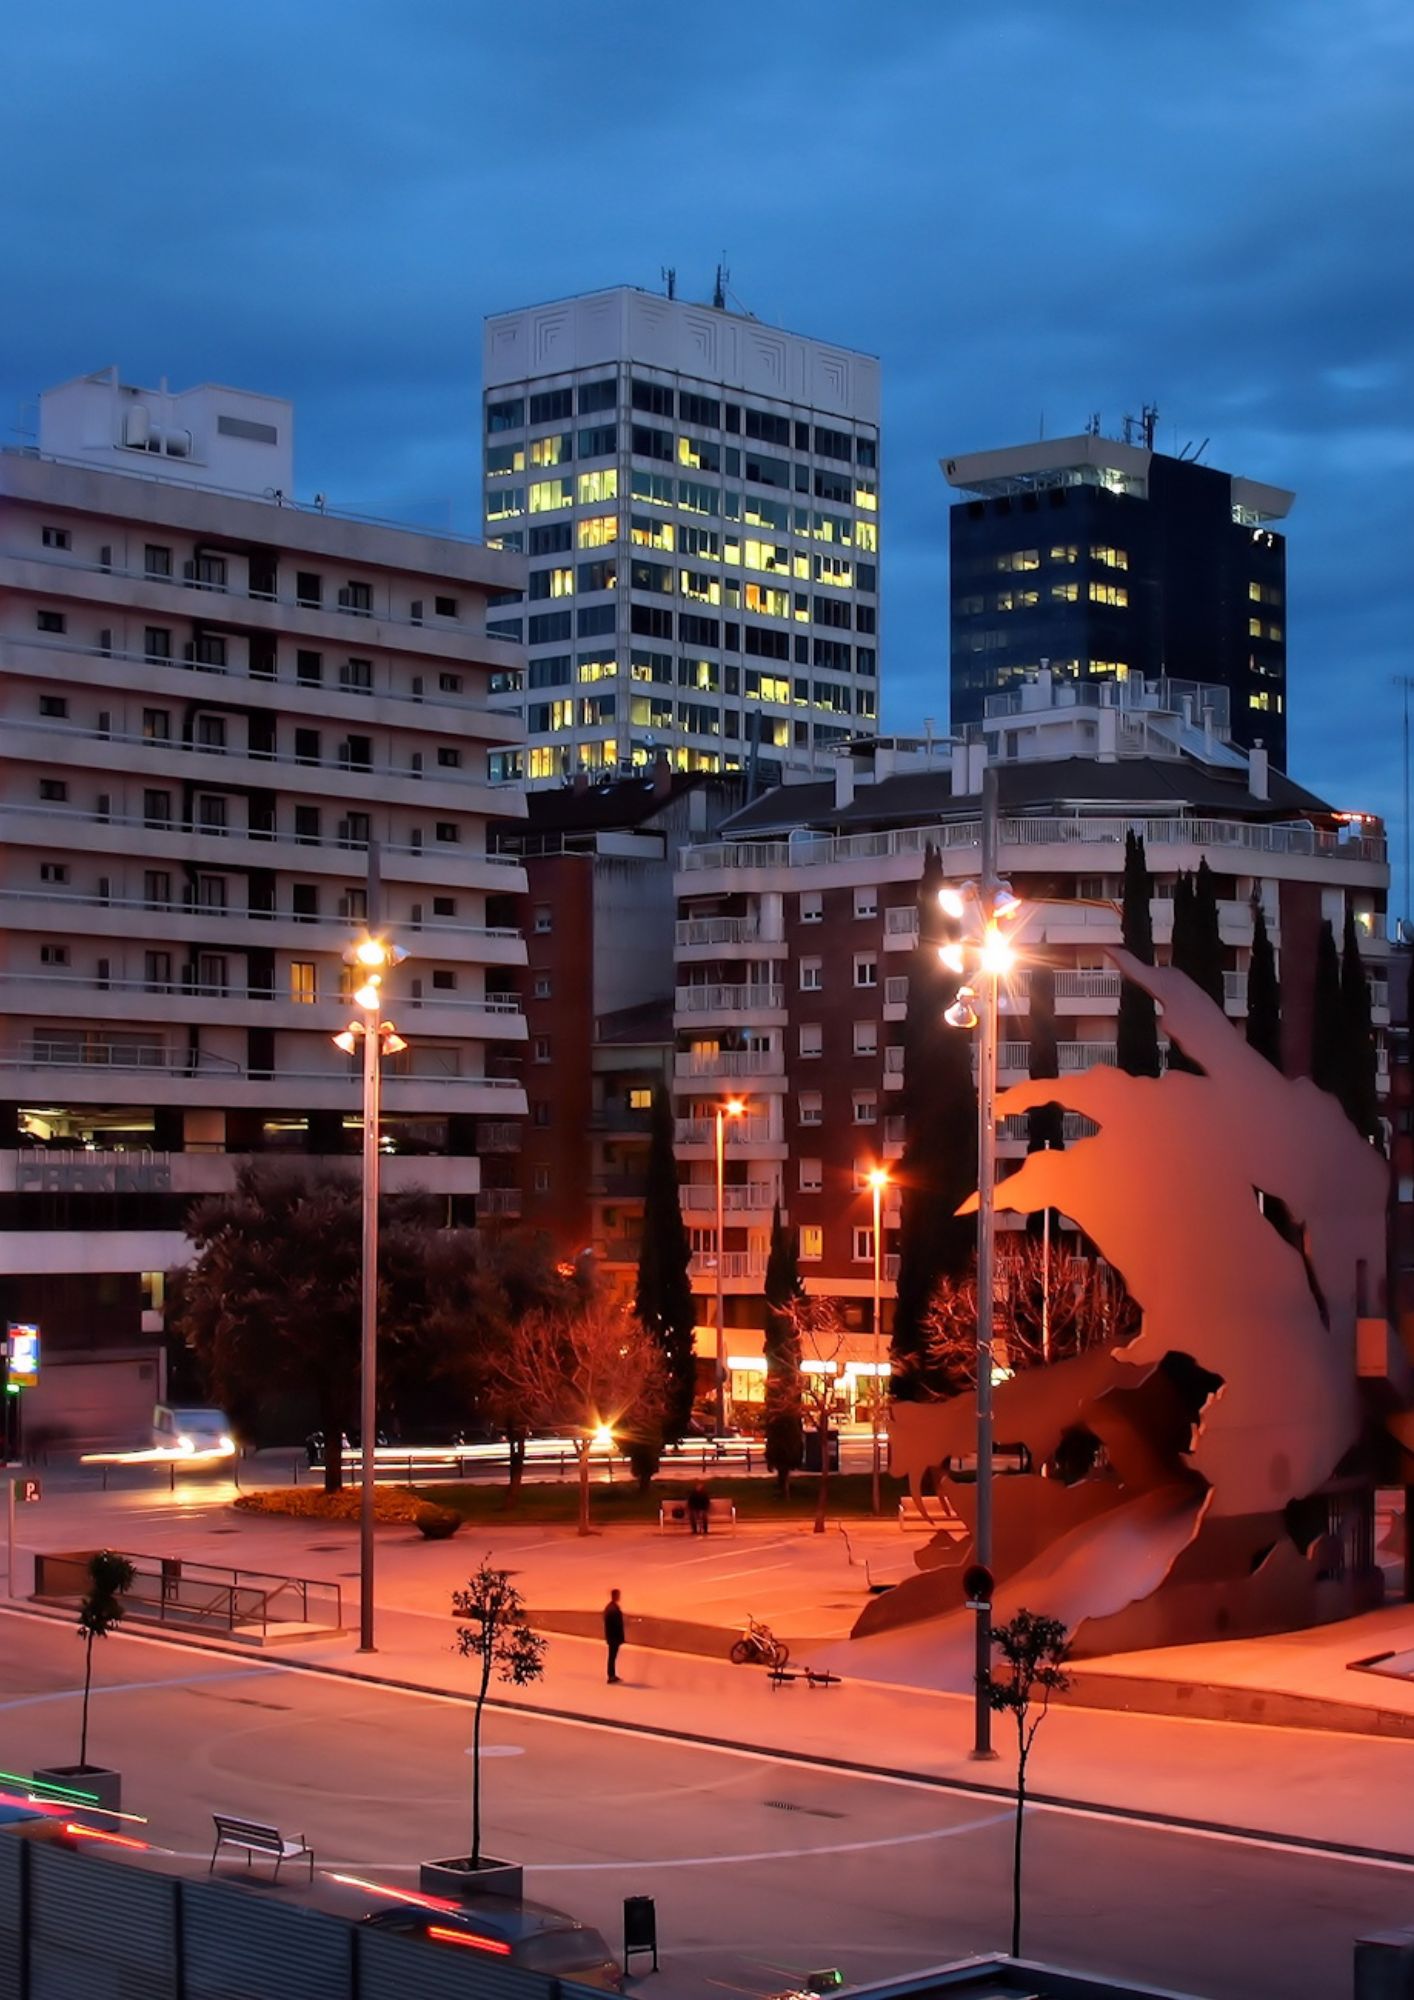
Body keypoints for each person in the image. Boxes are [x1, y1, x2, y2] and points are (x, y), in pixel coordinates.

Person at [603, 1588, 625, 1683]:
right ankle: (611, 1675)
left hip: (612, 1637)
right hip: (614, 1637)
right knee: (612, 1657)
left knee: (612, 1656)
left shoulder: (610, 1607)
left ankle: (612, 1675)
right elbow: (616, 1624)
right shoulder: (613, 1609)